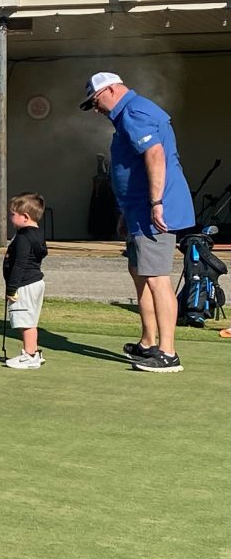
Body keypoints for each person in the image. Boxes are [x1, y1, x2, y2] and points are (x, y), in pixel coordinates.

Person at [81, 72, 194, 373]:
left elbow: (155, 156)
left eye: (96, 101)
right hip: (137, 210)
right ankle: (148, 343)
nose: (96, 109)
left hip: (153, 209)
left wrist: (156, 204)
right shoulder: (126, 114)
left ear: (112, 90)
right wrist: (124, 211)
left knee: (157, 278)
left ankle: (168, 353)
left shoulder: (134, 111)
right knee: (139, 272)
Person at [3, 193, 49, 370]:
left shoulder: (23, 237)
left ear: (25, 217)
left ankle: (29, 354)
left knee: (25, 321)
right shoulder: (38, 234)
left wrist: (11, 288)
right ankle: (34, 351)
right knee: (29, 319)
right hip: (35, 282)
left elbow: (20, 264)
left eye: (13, 214)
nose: (10, 217)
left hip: (25, 284)